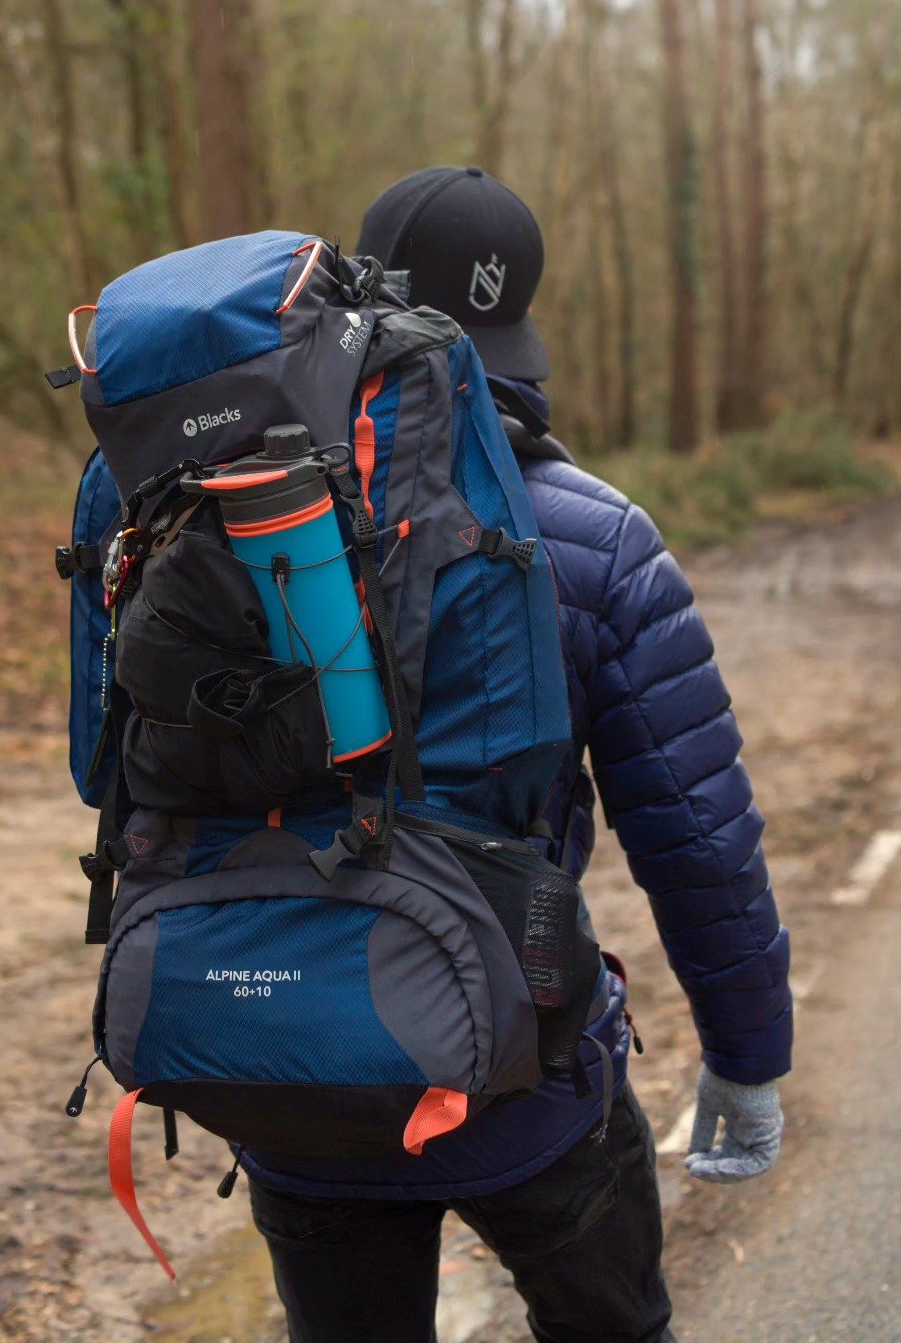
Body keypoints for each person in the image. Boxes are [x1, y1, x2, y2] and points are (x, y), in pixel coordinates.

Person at [242, 167, 792, 1343]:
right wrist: (747, 1056)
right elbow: (697, 835)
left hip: (287, 1068)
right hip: (523, 1070)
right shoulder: (595, 540)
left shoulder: (235, 510)